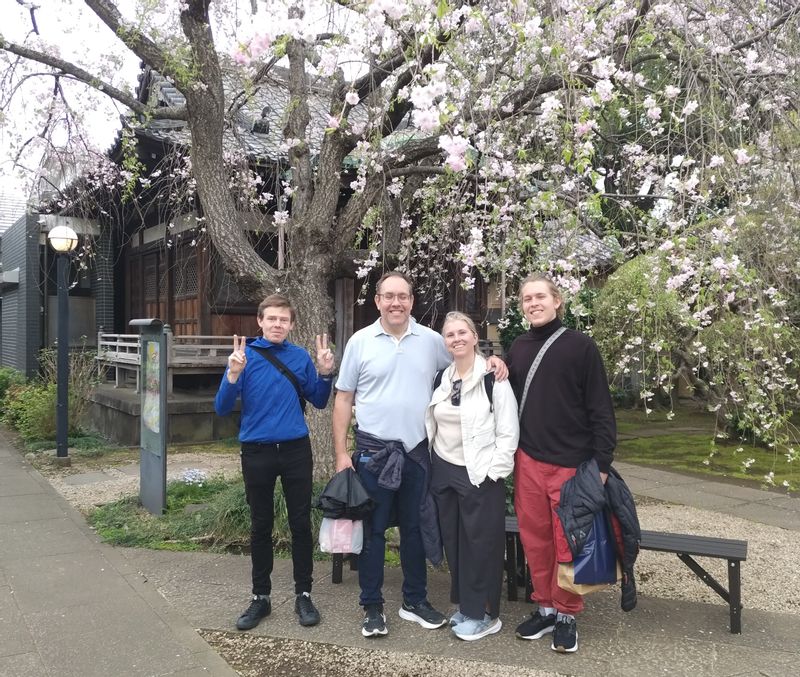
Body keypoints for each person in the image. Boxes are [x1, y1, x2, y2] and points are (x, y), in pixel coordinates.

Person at [333, 271, 507, 638]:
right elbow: (344, 398)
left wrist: (494, 362)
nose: (396, 302)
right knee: (374, 531)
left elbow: (464, 364)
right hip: (372, 453)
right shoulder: (359, 342)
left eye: (403, 296)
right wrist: (341, 453)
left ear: (412, 301)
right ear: (377, 300)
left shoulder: (431, 341)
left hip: (416, 454)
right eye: (389, 296)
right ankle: (372, 605)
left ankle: (415, 599)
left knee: (416, 529)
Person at [508, 274, 616, 654]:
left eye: (540, 296)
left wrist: (601, 465)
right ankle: (546, 605)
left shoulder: (580, 346)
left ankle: (568, 612)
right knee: (535, 540)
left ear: (556, 301)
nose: (533, 303)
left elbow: (601, 408)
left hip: (572, 465)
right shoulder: (518, 348)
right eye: (526, 298)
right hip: (529, 460)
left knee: (567, 542)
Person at [215, 294, 334, 631]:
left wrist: (325, 373)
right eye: (272, 319)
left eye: (284, 320)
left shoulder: (298, 357)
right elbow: (222, 408)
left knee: (299, 522)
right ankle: (260, 597)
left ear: (291, 324)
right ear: (260, 321)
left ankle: (304, 593)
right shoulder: (244, 356)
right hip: (257, 451)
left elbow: (320, 400)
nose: (278, 325)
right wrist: (232, 374)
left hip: (296, 449)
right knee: (260, 524)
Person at [425, 312, 519, 641]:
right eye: (450, 335)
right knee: (455, 542)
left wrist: (495, 472)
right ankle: (467, 606)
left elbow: (508, 432)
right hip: (445, 470)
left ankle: (486, 614)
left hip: (479, 473)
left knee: (482, 544)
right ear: (445, 342)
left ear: (475, 336)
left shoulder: (493, 377)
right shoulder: (443, 377)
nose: (456, 338)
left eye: (462, 332)